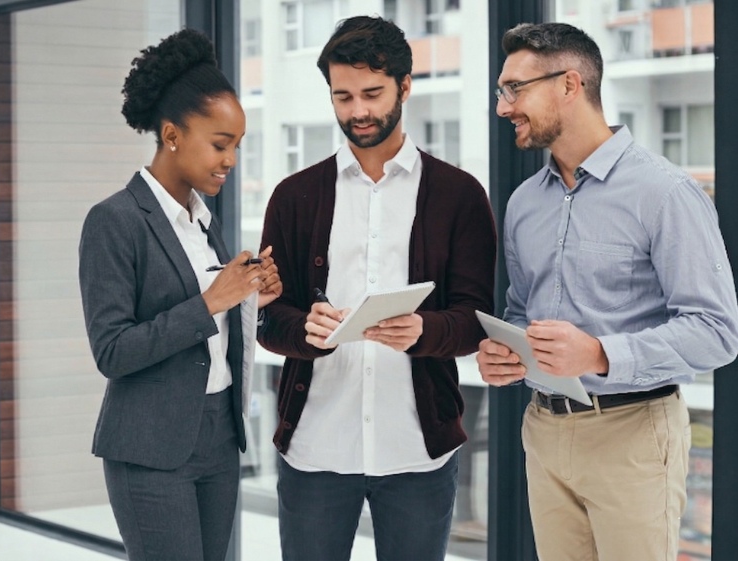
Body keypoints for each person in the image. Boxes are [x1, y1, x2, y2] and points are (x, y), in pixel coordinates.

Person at [478, 22, 738, 561]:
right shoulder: (524, 202)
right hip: (544, 430)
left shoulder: (665, 193)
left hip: (634, 435)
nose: (504, 108)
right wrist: (508, 354)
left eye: (515, 90)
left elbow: (717, 333)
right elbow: (520, 312)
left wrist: (598, 353)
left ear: (570, 84)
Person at [257, 16, 496, 561]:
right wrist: (305, 329)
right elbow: (269, 319)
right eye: (343, 97)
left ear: (405, 87)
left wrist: (423, 330)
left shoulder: (460, 195)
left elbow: (475, 316)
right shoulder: (292, 196)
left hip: (417, 453)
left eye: (372, 93)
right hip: (316, 447)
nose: (357, 111)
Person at [77, 28, 281, 561]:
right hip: (149, 447)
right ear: (171, 135)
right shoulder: (113, 221)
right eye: (220, 144)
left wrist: (253, 294)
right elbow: (113, 352)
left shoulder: (202, 224)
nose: (230, 160)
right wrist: (212, 300)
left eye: (237, 145)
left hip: (218, 435)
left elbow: (212, 335)